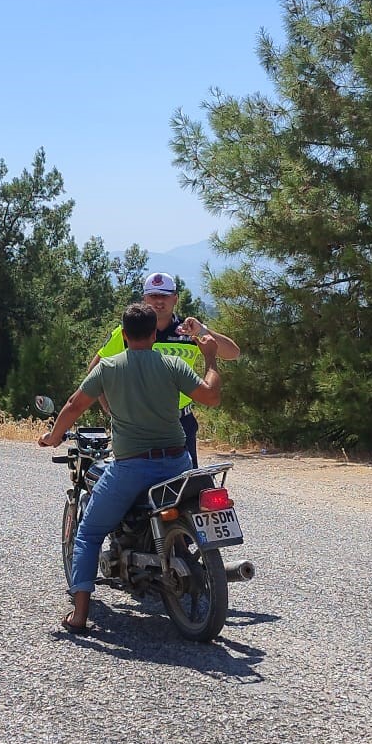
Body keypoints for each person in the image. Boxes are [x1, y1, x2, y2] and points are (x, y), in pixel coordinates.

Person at [39, 304, 222, 634]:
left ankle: (80, 616)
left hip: (132, 467)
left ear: (123, 335)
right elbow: (210, 397)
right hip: (177, 462)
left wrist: (53, 437)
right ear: (154, 334)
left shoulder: (108, 367)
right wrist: (210, 359)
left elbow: (74, 405)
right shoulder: (172, 364)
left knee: (89, 533)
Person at [91, 271, 239, 468]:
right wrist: (109, 409)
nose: (158, 301)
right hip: (136, 423)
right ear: (144, 298)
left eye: (164, 296)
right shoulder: (129, 332)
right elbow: (96, 369)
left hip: (181, 421)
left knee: (186, 489)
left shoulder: (188, 332)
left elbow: (233, 353)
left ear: (175, 298)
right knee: (136, 483)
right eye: (153, 296)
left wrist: (202, 331)